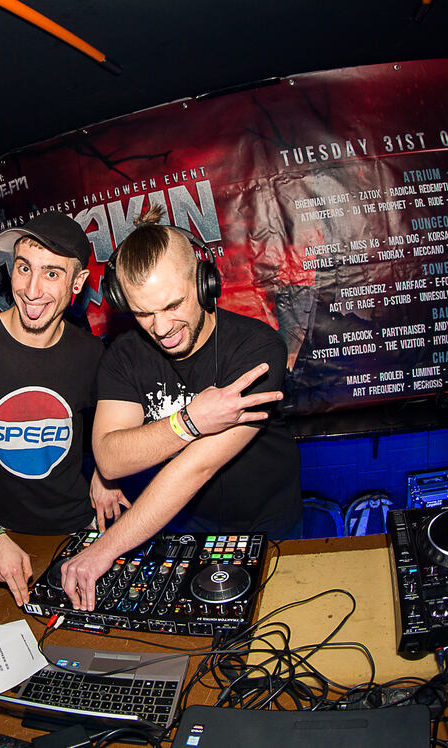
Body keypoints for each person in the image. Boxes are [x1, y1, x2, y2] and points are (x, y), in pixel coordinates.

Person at [60, 205, 302, 611]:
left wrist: (105, 550)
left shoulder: (258, 350)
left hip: (270, 525)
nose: (161, 327)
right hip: (180, 524)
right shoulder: (123, 357)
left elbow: (196, 467)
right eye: (143, 312)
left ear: (204, 283)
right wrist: (189, 422)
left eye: (173, 305)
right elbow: (110, 458)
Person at [0, 211, 127, 606]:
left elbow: (114, 432)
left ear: (77, 283)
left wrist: (106, 475)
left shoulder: (90, 353)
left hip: (77, 527)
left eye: (51, 273)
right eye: (24, 268)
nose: (32, 290)